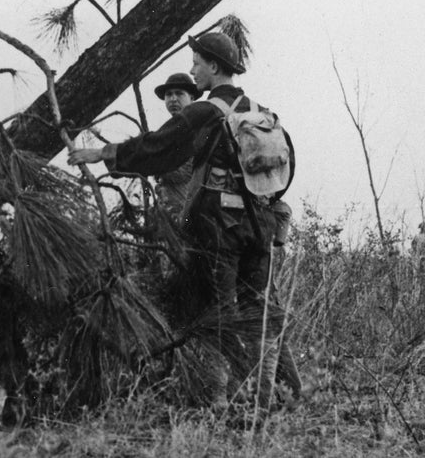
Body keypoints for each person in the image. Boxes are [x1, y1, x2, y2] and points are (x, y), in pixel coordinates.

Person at [68, 29, 298, 401]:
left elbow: (159, 147)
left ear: (213, 65)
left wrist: (105, 154)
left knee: (219, 312)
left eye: (196, 63)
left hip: (221, 228)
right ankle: (270, 399)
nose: (192, 71)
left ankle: (223, 400)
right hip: (261, 225)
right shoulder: (259, 111)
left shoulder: (206, 111)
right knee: (259, 310)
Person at [152, 73, 201, 219]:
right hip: (169, 207)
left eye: (179, 93)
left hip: (192, 209)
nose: (173, 99)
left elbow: (189, 169)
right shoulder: (167, 131)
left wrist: (155, 163)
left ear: (191, 98)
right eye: (169, 94)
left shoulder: (197, 127)